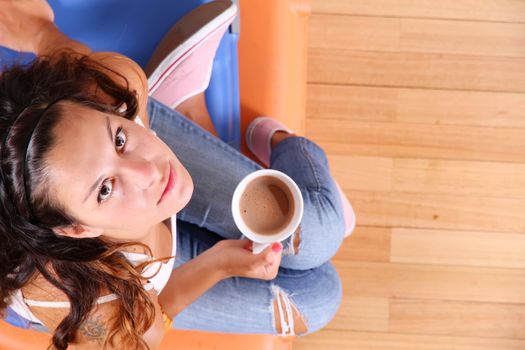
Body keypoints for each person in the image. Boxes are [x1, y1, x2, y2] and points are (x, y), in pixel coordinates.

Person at [0, 1, 355, 349]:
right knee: (319, 299)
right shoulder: (79, 301)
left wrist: (41, 33)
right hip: (126, 277)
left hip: (112, 148)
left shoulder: (112, 86)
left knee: (321, 230)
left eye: (120, 139)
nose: (148, 171)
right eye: (105, 189)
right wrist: (215, 265)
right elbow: (144, 336)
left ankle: (190, 109)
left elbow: (79, 70)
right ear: (77, 229)